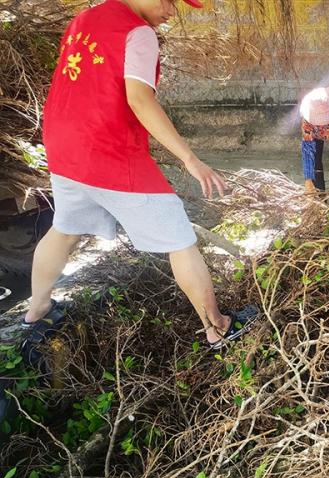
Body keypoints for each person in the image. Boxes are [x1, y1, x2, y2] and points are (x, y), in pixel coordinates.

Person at [28, 0, 257, 351]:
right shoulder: (138, 32)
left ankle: (37, 310)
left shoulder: (84, 19)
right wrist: (191, 160)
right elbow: (139, 99)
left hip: (63, 144)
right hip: (109, 151)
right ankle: (219, 328)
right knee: (179, 238)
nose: (173, 11)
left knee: (65, 228)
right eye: (169, 0)